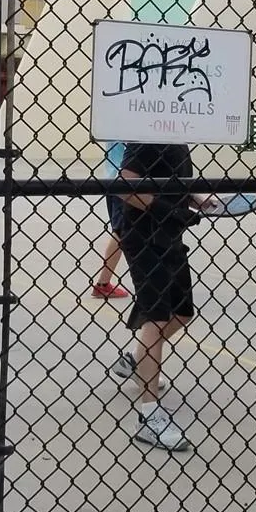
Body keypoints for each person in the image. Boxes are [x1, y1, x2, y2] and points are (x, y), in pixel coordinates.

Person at [109, 139, 208, 452]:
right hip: (143, 238)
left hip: (170, 237)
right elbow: (125, 185)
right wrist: (164, 209)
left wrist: (196, 200)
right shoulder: (148, 137)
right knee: (157, 318)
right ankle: (149, 417)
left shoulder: (179, 139)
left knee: (183, 313)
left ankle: (136, 362)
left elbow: (170, 182)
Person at [89, 141, 130, 299]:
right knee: (120, 232)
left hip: (113, 179)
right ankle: (103, 283)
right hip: (125, 180)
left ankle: (104, 283)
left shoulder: (112, 127)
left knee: (121, 231)